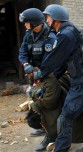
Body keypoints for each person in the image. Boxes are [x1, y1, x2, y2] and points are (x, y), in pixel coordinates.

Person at [36, 4, 83, 152]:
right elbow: (66, 60)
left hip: (81, 80)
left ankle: (62, 148)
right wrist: (55, 76)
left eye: (48, 17)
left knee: (66, 115)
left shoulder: (65, 35)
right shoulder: (75, 30)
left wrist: (41, 74)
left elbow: (53, 60)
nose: (46, 20)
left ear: (56, 18)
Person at [18, 8, 55, 150]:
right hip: (33, 74)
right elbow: (22, 52)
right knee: (35, 99)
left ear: (34, 23)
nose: (25, 25)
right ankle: (41, 126)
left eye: (26, 23)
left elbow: (52, 59)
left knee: (46, 102)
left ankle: (51, 132)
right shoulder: (28, 35)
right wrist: (26, 64)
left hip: (47, 76)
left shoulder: (50, 36)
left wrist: (40, 72)